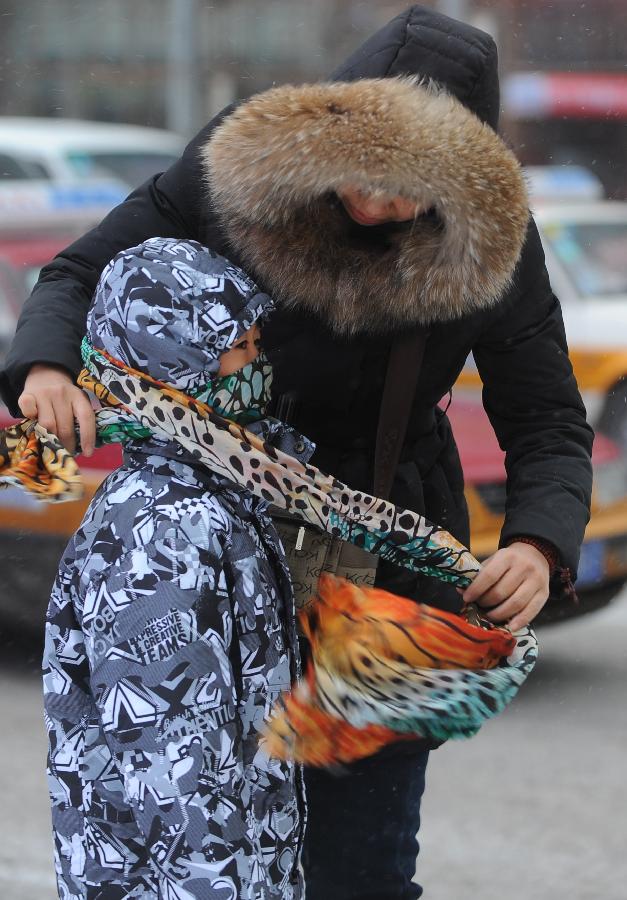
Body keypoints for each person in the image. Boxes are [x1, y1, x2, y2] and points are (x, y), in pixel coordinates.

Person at [1, 6, 593, 899]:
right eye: (363, 172)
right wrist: (45, 363)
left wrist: (539, 541)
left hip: (384, 567)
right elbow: (80, 272)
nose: (378, 202)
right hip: (220, 544)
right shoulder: (240, 167)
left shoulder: (496, 238)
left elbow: (546, 415)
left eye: (409, 186)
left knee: (367, 864)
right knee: (203, 848)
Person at [43, 237, 307, 899]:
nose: (259, 366)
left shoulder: (214, 493)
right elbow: (168, 762)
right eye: (238, 350)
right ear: (177, 367)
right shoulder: (161, 527)